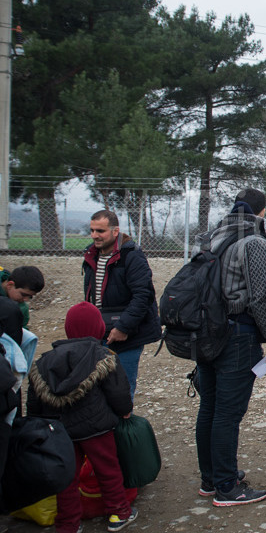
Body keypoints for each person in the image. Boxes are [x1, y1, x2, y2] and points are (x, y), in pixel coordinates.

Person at [195, 188, 266, 506]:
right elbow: (260, 296)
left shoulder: (210, 237)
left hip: (204, 333)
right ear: (261, 213)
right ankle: (228, 488)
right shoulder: (255, 242)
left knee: (209, 408)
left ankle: (211, 478)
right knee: (228, 415)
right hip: (236, 335)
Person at [27, 302, 137, 533]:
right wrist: (124, 411)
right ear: (99, 328)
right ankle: (118, 513)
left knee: (66, 476)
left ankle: (68, 524)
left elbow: (34, 399)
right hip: (96, 428)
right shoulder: (103, 356)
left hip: (59, 431)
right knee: (108, 469)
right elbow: (118, 391)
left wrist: (38, 424)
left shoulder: (44, 361)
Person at [83, 210, 161, 399]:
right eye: (92, 230)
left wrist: (123, 327)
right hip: (100, 331)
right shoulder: (91, 254)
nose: (95, 235)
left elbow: (144, 296)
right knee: (98, 388)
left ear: (115, 231)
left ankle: (123, 426)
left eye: (100, 231)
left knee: (121, 390)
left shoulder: (131, 256)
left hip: (127, 335)